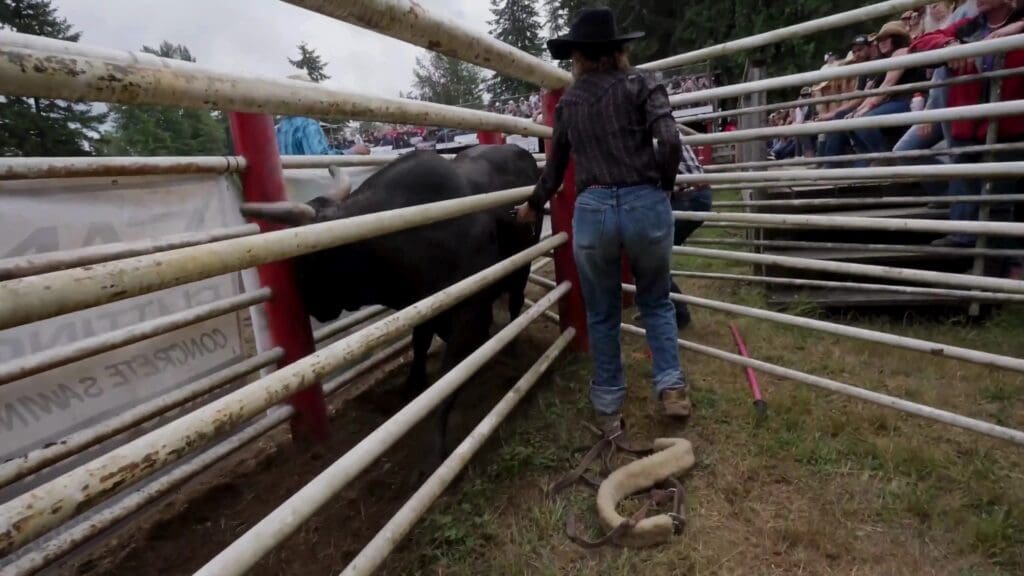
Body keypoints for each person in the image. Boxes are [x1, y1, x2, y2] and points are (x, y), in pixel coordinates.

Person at [515, 7, 690, 437]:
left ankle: (609, 403)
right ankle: (671, 388)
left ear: (578, 56)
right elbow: (668, 139)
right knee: (656, 299)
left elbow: (554, 169)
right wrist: (662, 187)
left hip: (592, 211)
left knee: (603, 311)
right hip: (644, 200)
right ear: (618, 49)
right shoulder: (643, 83)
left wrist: (533, 205)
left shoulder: (570, 102)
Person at [910, 0, 1024, 249]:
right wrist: (949, 46)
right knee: (967, 188)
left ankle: (995, 269)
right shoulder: (967, 26)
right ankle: (966, 248)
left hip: (1008, 127)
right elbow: (919, 44)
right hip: (967, 125)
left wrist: (1017, 29)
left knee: (997, 203)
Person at [848, 22, 926, 155]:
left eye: (887, 38)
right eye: (880, 40)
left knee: (863, 122)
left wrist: (868, 107)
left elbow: (888, 84)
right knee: (851, 123)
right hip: (894, 102)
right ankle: (873, 160)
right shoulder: (886, 61)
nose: (882, 42)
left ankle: (884, 158)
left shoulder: (903, 52)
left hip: (910, 100)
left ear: (897, 38)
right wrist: (858, 110)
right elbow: (876, 91)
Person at [669, 140, 712, 328]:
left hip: (688, 196)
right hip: (695, 194)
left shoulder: (654, 132)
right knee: (653, 257)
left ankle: (677, 313)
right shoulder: (665, 126)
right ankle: (664, 307)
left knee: (651, 259)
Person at [276, 73, 370, 156]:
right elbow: (322, 159)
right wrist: (353, 151)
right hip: (311, 175)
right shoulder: (307, 124)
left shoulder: (279, 128)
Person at [818, 35, 875, 164]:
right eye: (854, 52)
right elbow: (860, 97)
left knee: (841, 117)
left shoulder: (877, 64)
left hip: (876, 104)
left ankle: (832, 164)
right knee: (840, 117)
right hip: (868, 105)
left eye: (860, 50)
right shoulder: (863, 71)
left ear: (870, 48)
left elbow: (862, 98)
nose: (857, 54)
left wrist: (833, 114)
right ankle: (834, 163)